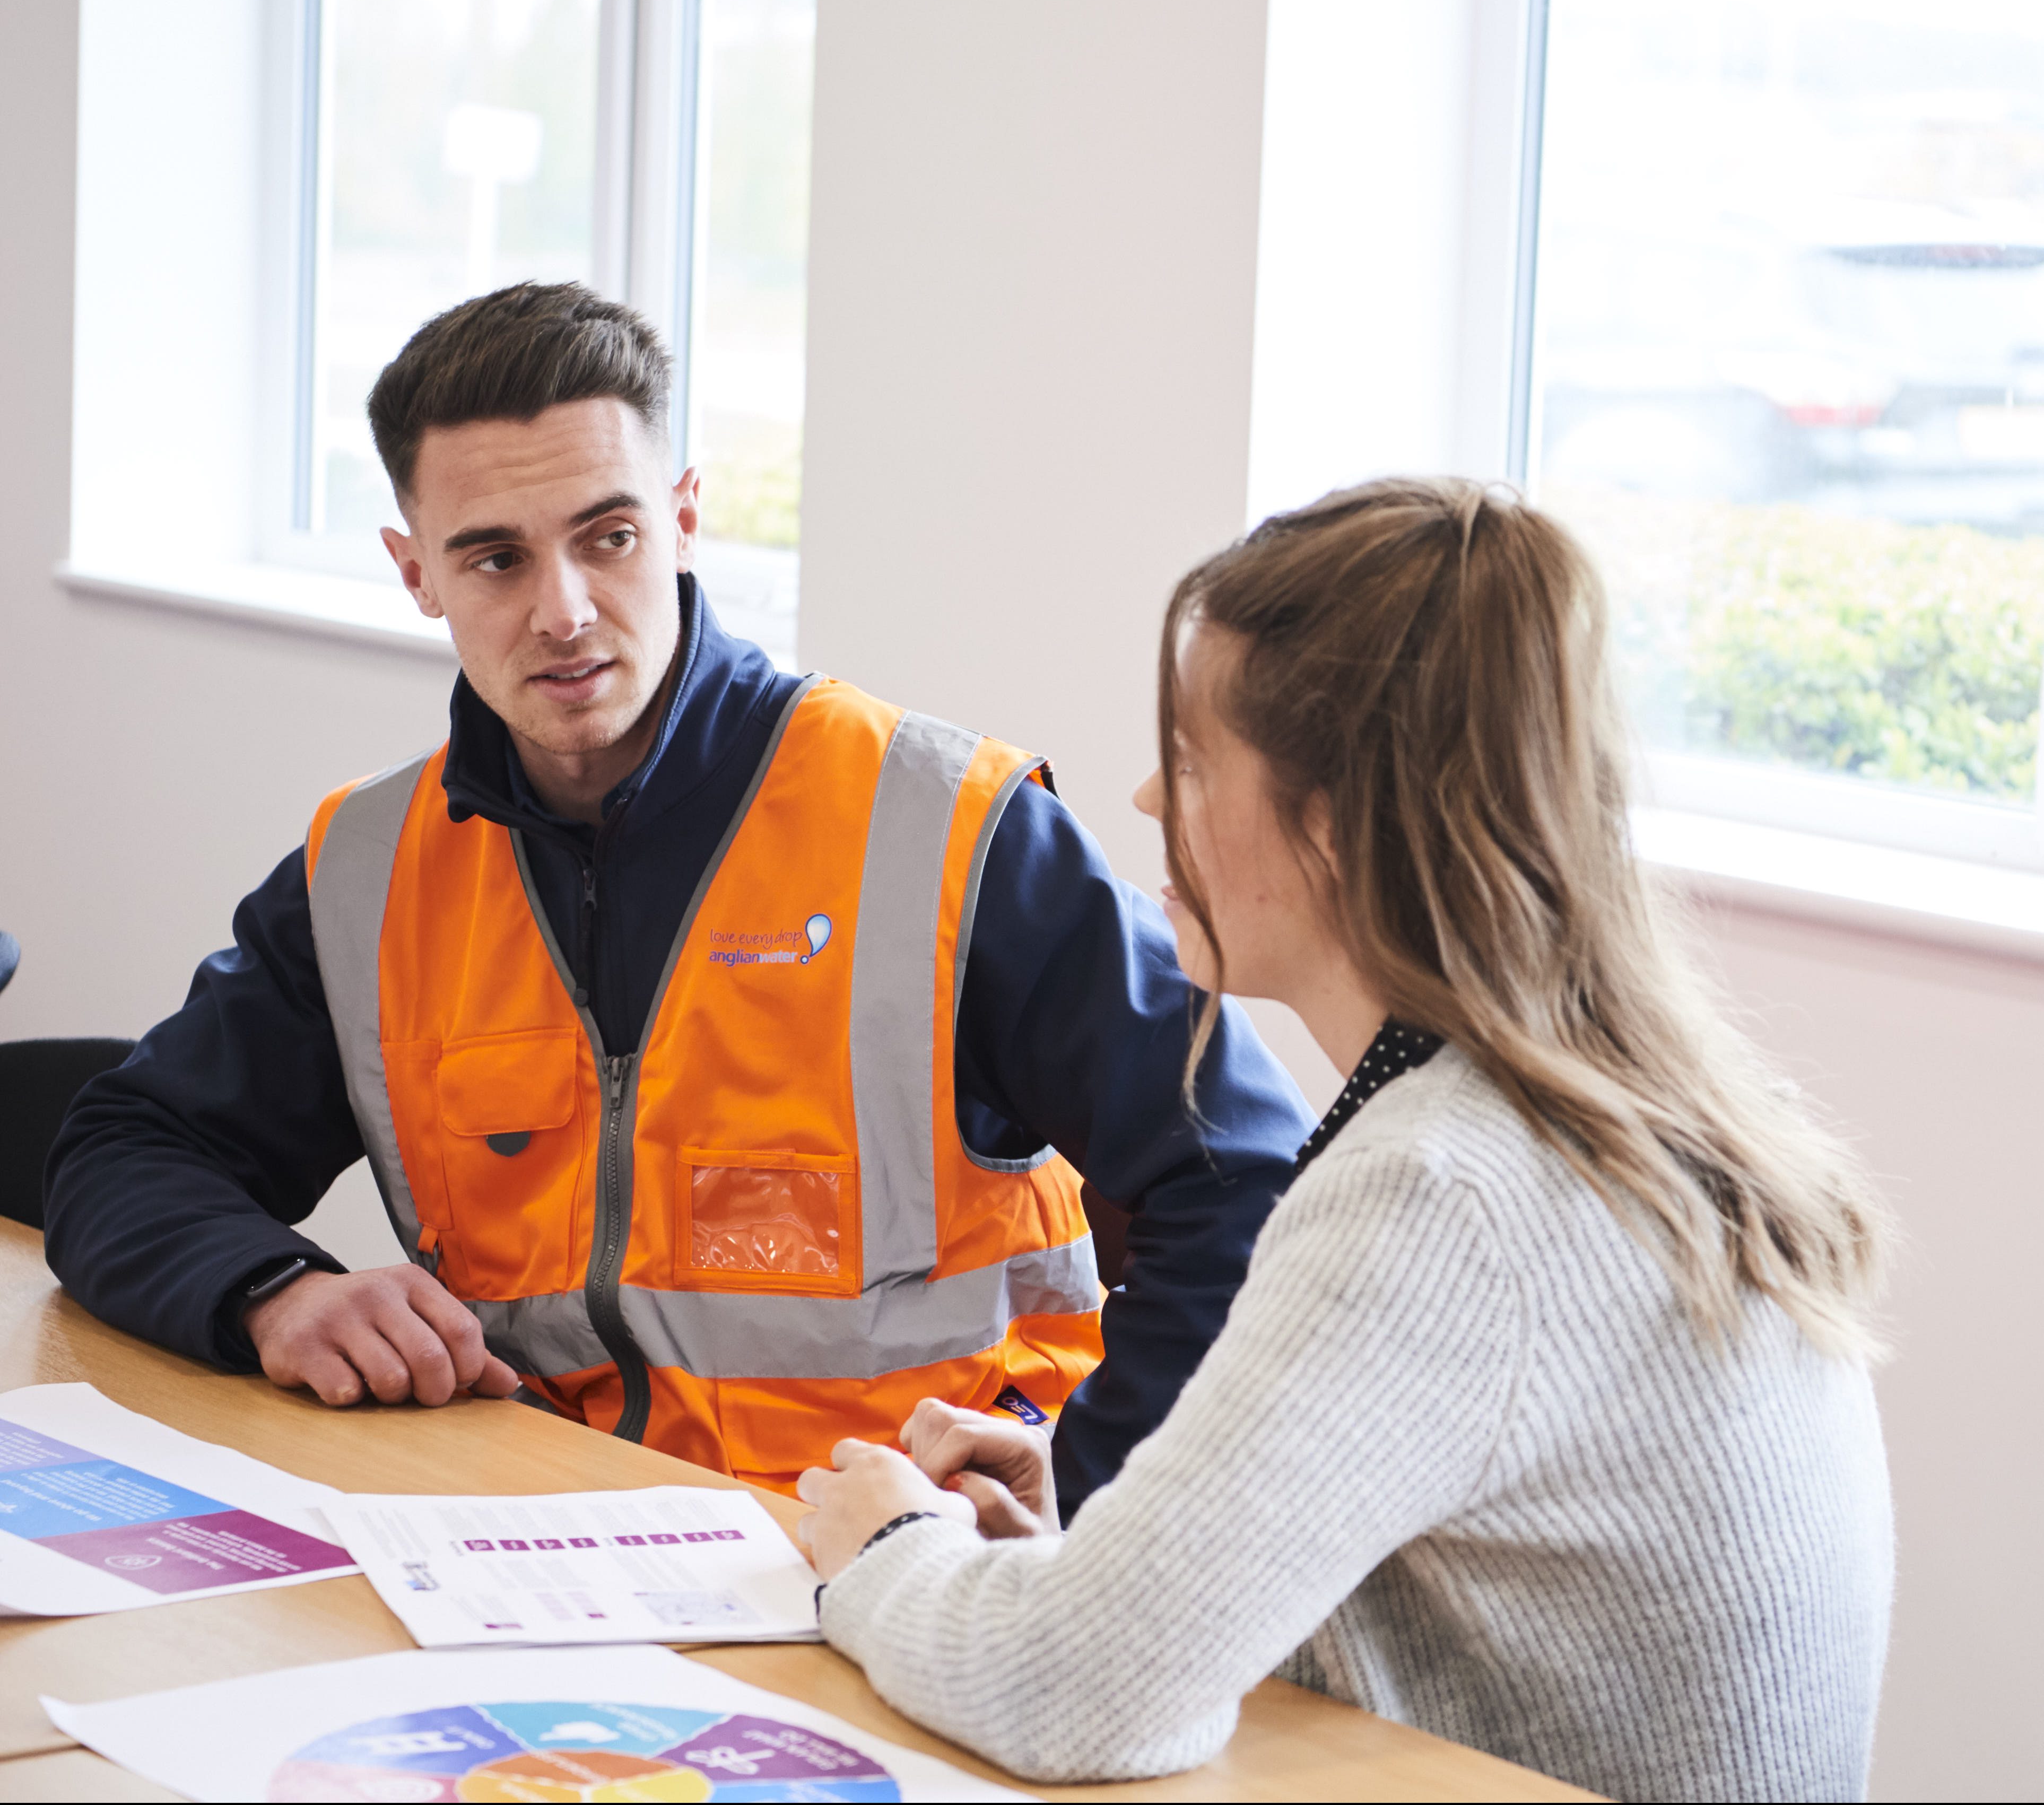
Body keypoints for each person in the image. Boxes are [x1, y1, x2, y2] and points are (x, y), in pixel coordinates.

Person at [43, 282, 1312, 1510]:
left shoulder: (938, 828)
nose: (566, 610)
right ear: (415, 570)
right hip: (530, 1545)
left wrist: (1091, 1488)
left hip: (901, 1569)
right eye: (494, 558)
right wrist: (274, 1289)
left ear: (688, 513)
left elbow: (1250, 1178)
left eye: (611, 535)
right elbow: (124, 1150)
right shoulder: (374, 869)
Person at [794, 478, 1896, 1801]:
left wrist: (888, 1550)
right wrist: (1088, 1553)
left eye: (1195, 762)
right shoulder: (1604, 1108)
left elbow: (1072, 1695)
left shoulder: (1445, 1186)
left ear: (1333, 821)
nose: (1147, 794)